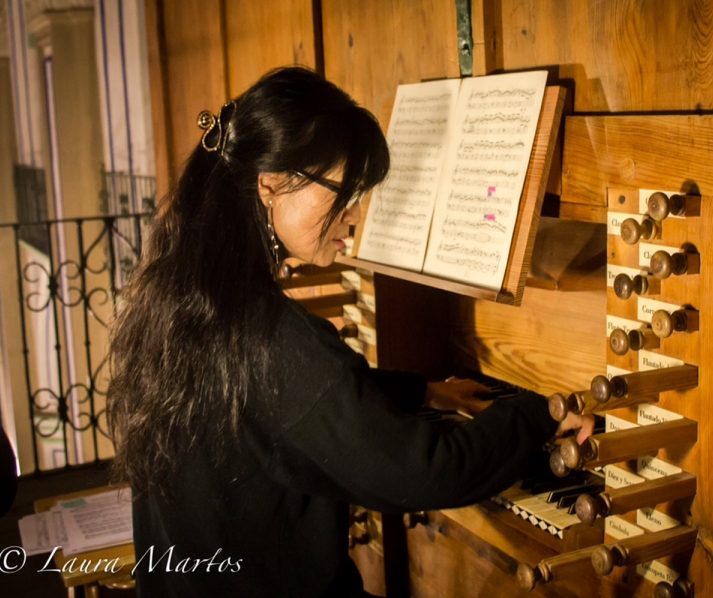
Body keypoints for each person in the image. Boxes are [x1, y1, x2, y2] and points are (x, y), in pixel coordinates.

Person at [107, 66, 593, 597]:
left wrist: (419, 390)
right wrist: (535, 415)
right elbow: (427, 473)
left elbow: (278, 407)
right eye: (344, 192)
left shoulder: (185, 302)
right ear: (271, 185)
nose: (355, 216)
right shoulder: (271, 338)